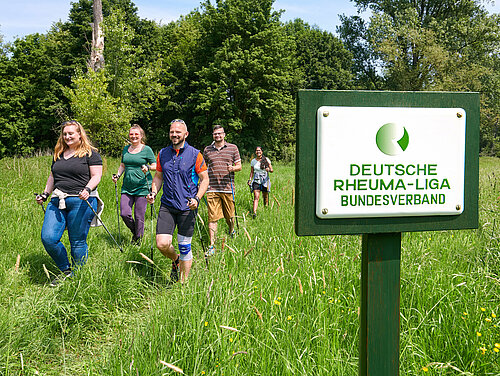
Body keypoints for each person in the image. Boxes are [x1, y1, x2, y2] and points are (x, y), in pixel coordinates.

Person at [35, 120, 103, 287]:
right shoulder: (58, 153)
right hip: (58, 200)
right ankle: (66, 270)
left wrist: (87, 189)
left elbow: (96, 176)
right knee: (48, 238)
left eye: (71, 133)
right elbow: (52, 177)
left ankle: (78, 276)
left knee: (77, 241)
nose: (67, 137)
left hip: (82, 200)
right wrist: (45, 194)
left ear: (80, 134)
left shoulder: (90, 154)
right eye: (65, 134)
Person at [147, 119, 209, 283]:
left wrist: (197, 198)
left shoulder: (195, 154)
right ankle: (176, 260)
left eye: (178, 132)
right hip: (167, 205)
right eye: (172, 132)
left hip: (187, 206)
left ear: (186, 134)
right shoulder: (163, 154)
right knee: (162, 244)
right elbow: (158, 177)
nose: (174, 135)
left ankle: (183, 284)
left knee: (184, 246)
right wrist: (153, 192)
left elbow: (205, 180)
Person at [112, 124, 156, 245]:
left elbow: (155, 165)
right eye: (131, 134)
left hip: (142, 187)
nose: (134, 136)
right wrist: (117, 175)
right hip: (127, 187)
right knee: (124, 213)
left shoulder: (147, 149)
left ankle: (138, 241)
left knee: (139, 216)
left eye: (136, 134)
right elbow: (123, 165)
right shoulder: (126, 149)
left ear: (141, 136)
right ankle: (136, 233)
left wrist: (147, 167)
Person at [203, 124, 242, 256]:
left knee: (229, 216)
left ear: (224, 134)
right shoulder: (207, 150)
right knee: (212, 217)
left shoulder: (233, 148)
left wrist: (233, 168)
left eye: (220, 133)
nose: (218, 136)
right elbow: (204, 167)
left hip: (227, 188)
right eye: (215, 134)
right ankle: (212, 245)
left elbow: (239, 166)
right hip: (211, 188)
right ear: (213, 136)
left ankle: (231, 230)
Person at [248, 146, 273, 217]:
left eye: (259, 150)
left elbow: (272, 170)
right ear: (255, 152)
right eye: (256, 150)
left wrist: (268, 169)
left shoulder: (266, 159)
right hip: (256, 180)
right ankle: (254, 213)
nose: (258, 152)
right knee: (256, 196)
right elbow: (252, 172)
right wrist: (250, 179)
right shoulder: (253, 161)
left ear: (262, 151)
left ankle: (266, 209)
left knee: (265, 196)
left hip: (265, 180)